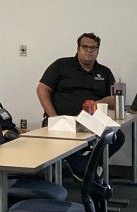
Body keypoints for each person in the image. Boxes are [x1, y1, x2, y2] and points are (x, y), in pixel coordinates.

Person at [37, 33, 125, 172]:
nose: (89, 50)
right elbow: (42, 89)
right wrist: (53, 117)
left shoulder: (104, 72)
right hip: (63, 119)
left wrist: (101, 102)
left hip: (91, 119)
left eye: (93, 48)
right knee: (71, 143)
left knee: (117, 136)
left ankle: (90, 165)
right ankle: (86, 170)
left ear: (98, 51)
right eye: (85, 47)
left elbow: (115, 98)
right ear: (78, 48)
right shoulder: (61, 65)